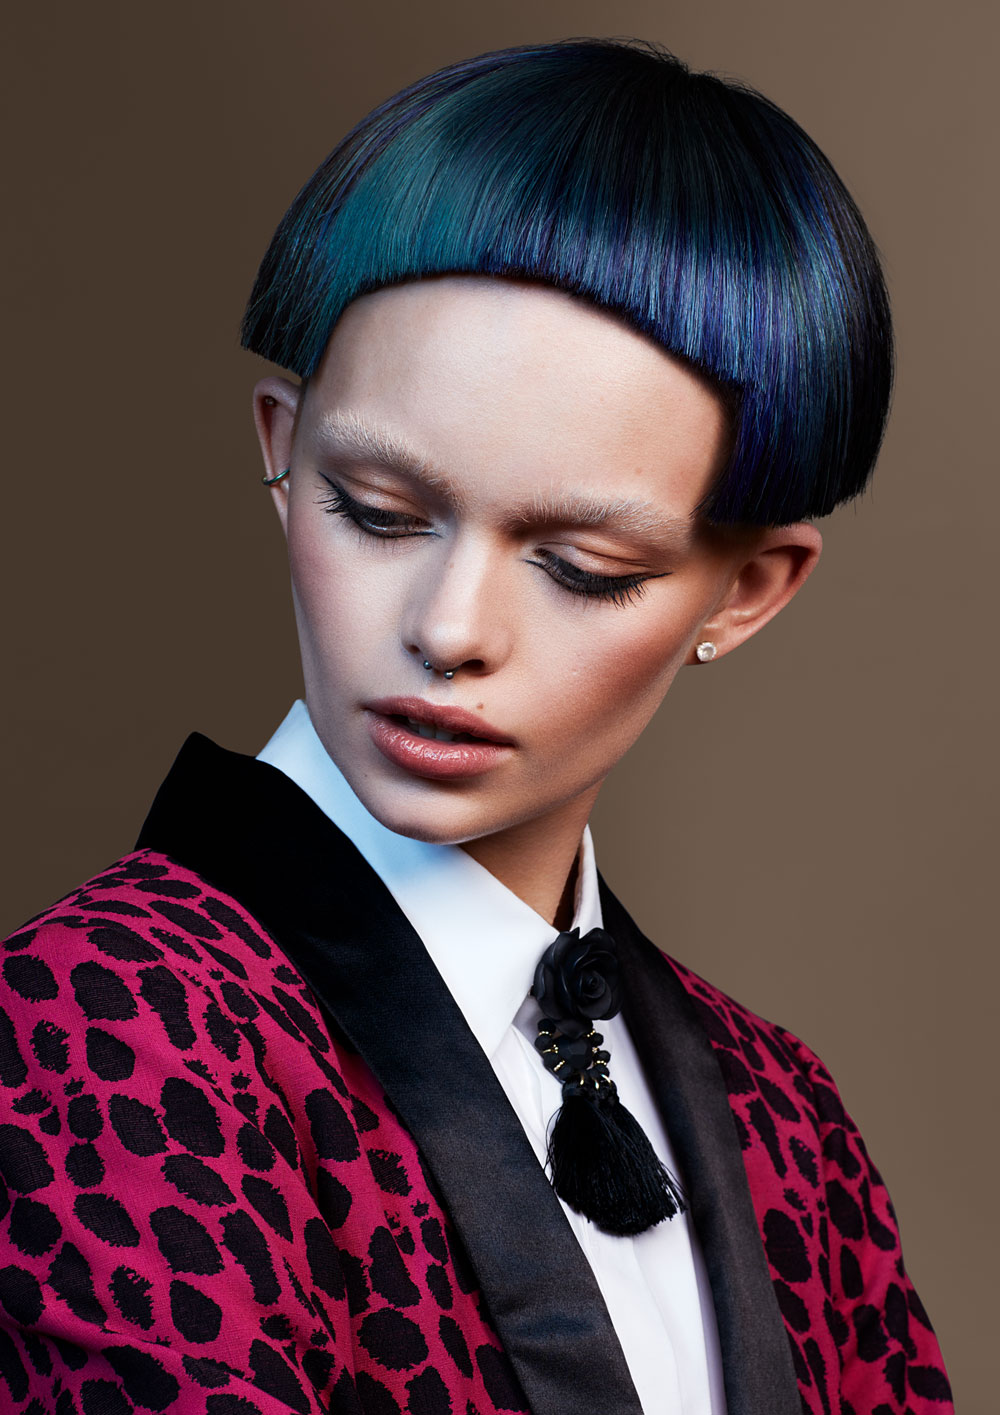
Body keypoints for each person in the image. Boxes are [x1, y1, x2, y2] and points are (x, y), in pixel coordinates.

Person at [0, 38, 952, 1415]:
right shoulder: (108, 1023)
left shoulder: (786, 1120)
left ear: (745, 591)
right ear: (282, 450)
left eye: (581, 568)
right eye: (380, 512)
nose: (450, 629)